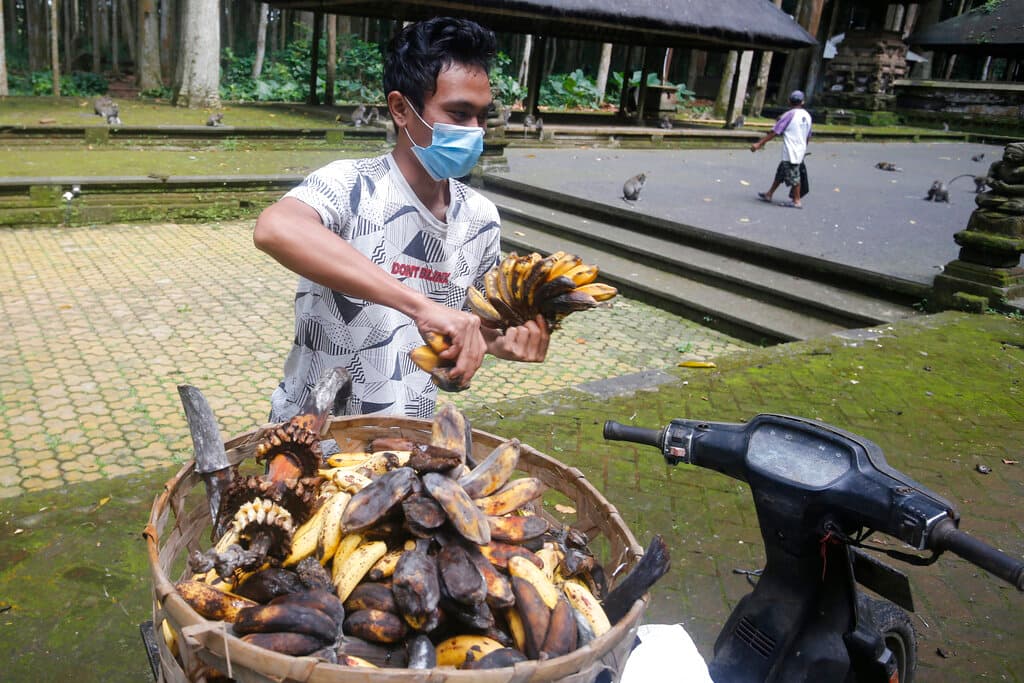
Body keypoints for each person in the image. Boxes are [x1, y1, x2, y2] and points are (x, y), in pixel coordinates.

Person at [253, 17, 550, 421]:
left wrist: (495, 345)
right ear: (400, 109)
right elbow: (275, 228)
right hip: (309, 438)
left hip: (407, 442)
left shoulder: (481, 219)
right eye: (459, 114)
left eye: (482, 116)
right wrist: (420, 306)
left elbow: (464, 334)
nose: (475, 131)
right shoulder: (349, 184)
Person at [750, 90, 813, 209]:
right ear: (803, 102)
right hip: (799, 149)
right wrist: (803, 149)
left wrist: (759, 143)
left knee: (794, 175)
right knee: (781, 172)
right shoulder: (807, 116)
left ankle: (797, 200)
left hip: (791, 151)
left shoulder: (789, 115)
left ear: (789, 101)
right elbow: (808, 135)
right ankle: (769, 194)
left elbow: (775, 131)